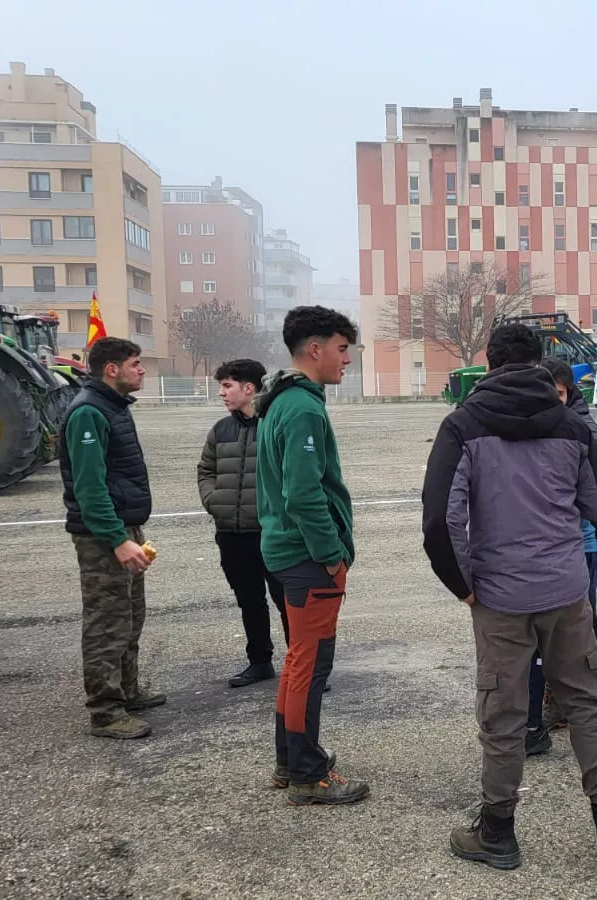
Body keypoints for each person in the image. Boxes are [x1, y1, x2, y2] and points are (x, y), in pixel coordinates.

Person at [423, 323, 597, 870]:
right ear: (541, 360)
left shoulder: (462, 426)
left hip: (499, 597)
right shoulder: (572, 425)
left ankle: (497, 831)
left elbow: (440, 523)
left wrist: (466, 587)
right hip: (566, 590)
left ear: (490, 363)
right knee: (588, 703)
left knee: (503, 713)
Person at [255, 306, 367, 807]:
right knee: (310, 664)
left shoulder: (281, 400)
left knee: (299, 661)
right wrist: (330, 553)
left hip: (285, 553)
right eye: (343, 349)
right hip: (306, 558)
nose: (348, 360)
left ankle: (288, 761)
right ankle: (306, 772)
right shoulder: (300, 407)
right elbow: (303, 494)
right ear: (315, 348)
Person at [526, 357, 597, 765]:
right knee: (533, 640)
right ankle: (532, 728)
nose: (552, 400)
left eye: (560, 392)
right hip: (543, 549)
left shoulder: (577, 431)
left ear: (569, 393)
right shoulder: (529, 428)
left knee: (586, 638)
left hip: (575, 546)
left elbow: (592, 501)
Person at [59, 337, 163, 740]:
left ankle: (127, 690)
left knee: (130, 614)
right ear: (112, 369)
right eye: (135, 364)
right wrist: (117, 539)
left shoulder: (111, 406)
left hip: (121, 528)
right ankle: (105, 710)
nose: (141, 370)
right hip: (103, 535)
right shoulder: (89, 412)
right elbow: (90, 487)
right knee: (107, 621)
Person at [198, 358, 288, 689]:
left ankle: (303, 668)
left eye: (227, 386)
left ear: (248, 388)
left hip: (270, 532)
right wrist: (214, 501)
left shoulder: (275, 425)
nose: (221, 393)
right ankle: (260, 662)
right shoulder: (221, 430)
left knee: (286, 600)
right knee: (249, 600)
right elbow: (205, 469)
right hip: (231, 533)